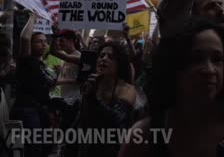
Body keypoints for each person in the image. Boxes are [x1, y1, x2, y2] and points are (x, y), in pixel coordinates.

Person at [118, 16, 224, 157]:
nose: (210, 70)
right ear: (173, 65)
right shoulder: (143, 135)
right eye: (196, 58)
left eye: (217, 59)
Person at [67, 42, 137, 157]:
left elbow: (117, 122)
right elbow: (81, 120)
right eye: (101, 55)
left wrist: (92, 98)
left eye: (111, 57)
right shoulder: (92, 84)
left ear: (120, 64)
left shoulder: (127, 89)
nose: (104, 59)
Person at [11, 12, 56, 157]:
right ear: (30, 45)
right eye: (38, 41)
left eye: (45, 41)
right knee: (34, 149)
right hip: (27, 110)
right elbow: (24, 37)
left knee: (44, 147)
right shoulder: (27, 60)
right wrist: (33, 16)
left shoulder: (41, 63)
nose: (44, 44)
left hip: (39, 110)